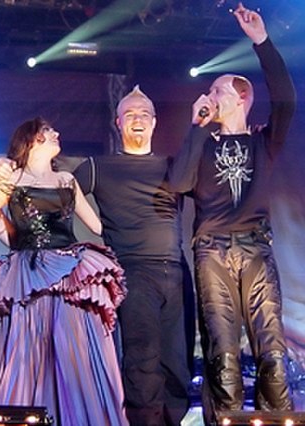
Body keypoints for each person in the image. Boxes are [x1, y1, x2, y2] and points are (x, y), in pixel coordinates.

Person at [168, 3, 296, 423]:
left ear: (241, 96)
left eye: (218, 90)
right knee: (222, 356)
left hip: (257, 249)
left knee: (272, 353)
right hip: (212, 250)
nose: (210, 96)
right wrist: (196, 124)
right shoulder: (203, 142)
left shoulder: (264, 142)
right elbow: (181, 182)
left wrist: (261, 41)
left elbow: (287, 99)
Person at [0, 117, 129, 426]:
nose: (57, 133)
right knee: (28, 350)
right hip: (30, 272)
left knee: (74, 349)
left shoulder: (66, 180)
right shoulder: (11, 178)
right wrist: (10, 235)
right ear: (31, 139)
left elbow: (99, 226)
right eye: (48, 131)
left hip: (69, 271)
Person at [72, 86, 193, 425]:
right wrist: (95, 226)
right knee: (143, 357)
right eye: (130, 114)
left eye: (144, 114)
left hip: (176, 270)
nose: (137, 120)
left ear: (154, 123)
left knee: (177, 362)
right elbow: (62, 190)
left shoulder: (172, 166)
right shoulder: (100, 166)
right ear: (118, 122)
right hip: (134, 271)